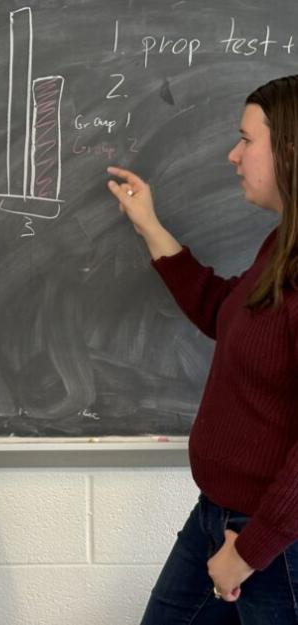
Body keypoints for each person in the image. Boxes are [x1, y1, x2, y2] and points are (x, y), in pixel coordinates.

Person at [107, 74, 298, 624]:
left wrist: (251, 551)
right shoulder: (282, 245)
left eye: (246, 139)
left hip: (274, 542)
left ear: (289, 150)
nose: (232, 154)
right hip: (219, 516)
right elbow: (226, 313)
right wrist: (149, 227)